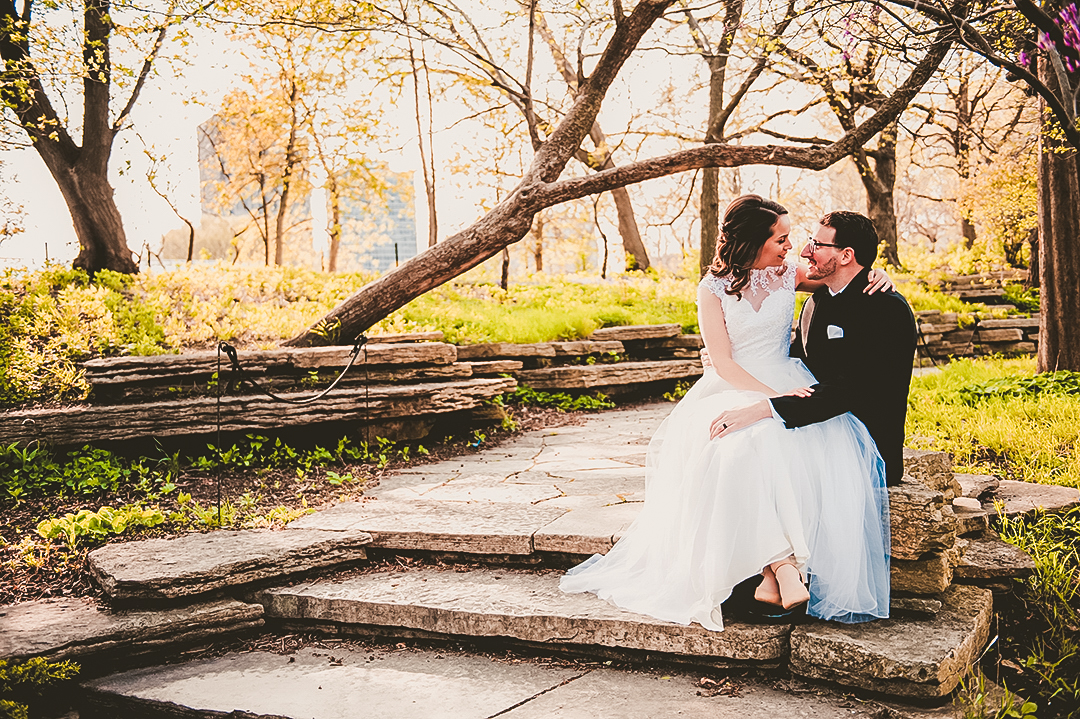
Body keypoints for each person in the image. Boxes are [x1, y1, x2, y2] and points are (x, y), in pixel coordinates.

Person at [560, 196, 894, 629]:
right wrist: (772, 398)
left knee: (764, 443)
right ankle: (784, 567)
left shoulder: (787, 273)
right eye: (781, 238)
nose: (791, 246)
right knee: (738, 446)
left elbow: (841, 276)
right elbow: (724, 362)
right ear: (754, 242)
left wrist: (877, 272)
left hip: (785, 381)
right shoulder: (711, 289)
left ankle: (774, 575)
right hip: (733, 385)